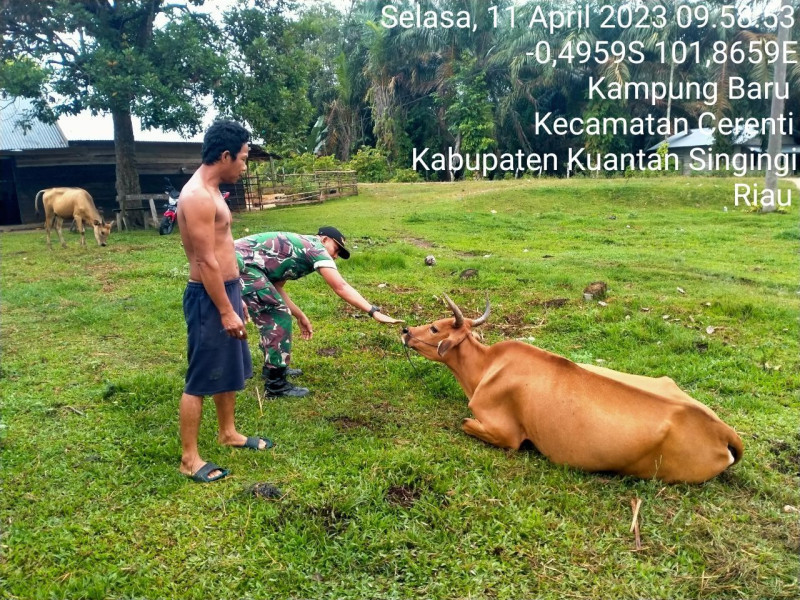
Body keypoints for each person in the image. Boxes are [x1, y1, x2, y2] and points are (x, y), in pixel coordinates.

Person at [177, 120, 271, 484]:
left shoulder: (213, 190)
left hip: (225, 290)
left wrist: (236, 298)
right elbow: (204, 260)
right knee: (200, 376)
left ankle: (228, 433)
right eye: (244, 159)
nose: (244, 166)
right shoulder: (197, 195)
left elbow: (223, 249)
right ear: (226, 155)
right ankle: (189, 458)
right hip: (208, 297)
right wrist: (225, 309)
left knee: (229, 367)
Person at [235, 227, 403, 397]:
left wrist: (299, 315)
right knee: (277, 316)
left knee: (276, 313)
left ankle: (272, 368)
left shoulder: (294, 251)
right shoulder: (315, 247)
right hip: (235, 263)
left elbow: (276, 288)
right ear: (324, 240)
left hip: (242, 264)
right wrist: (373, 311)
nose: (335, 256)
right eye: (336, 249)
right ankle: (276, 386)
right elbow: (340, 286)